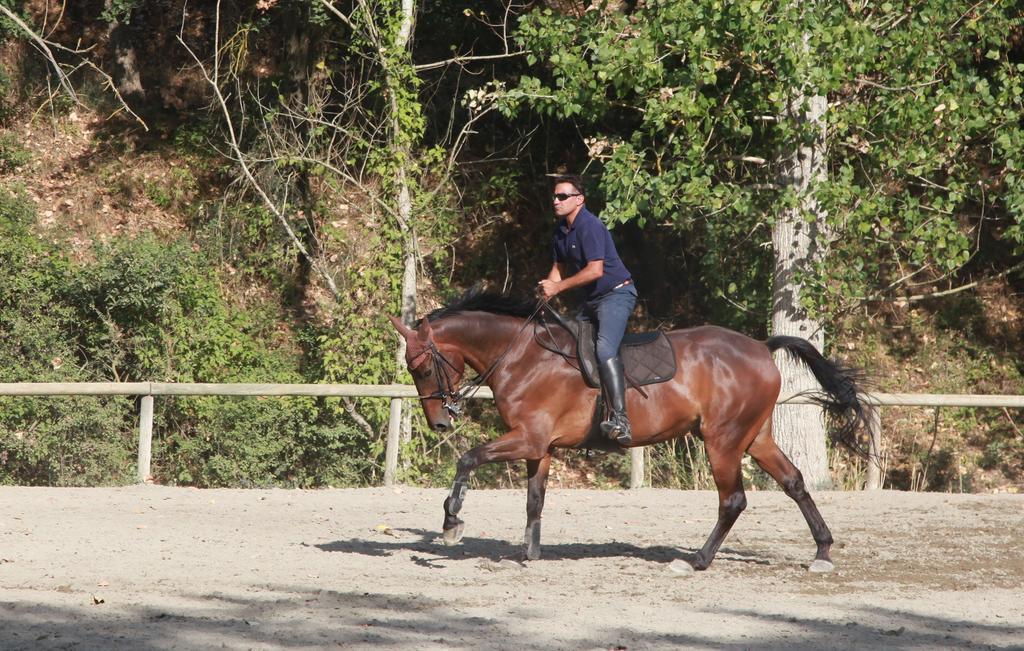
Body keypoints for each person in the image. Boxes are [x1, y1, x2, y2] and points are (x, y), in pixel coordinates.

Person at [537, 175, 638, 445]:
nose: (555, 201)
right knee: (568, 345)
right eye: (554, 196)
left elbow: (596, 270)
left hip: (617, 294)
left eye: (562, 197)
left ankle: (621, 419)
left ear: (579, 199)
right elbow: (558, 271)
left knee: (604, 349)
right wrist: (542, 299)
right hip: (592, 301)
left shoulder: (590, 226)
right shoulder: (560, 232)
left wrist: (558, 289)